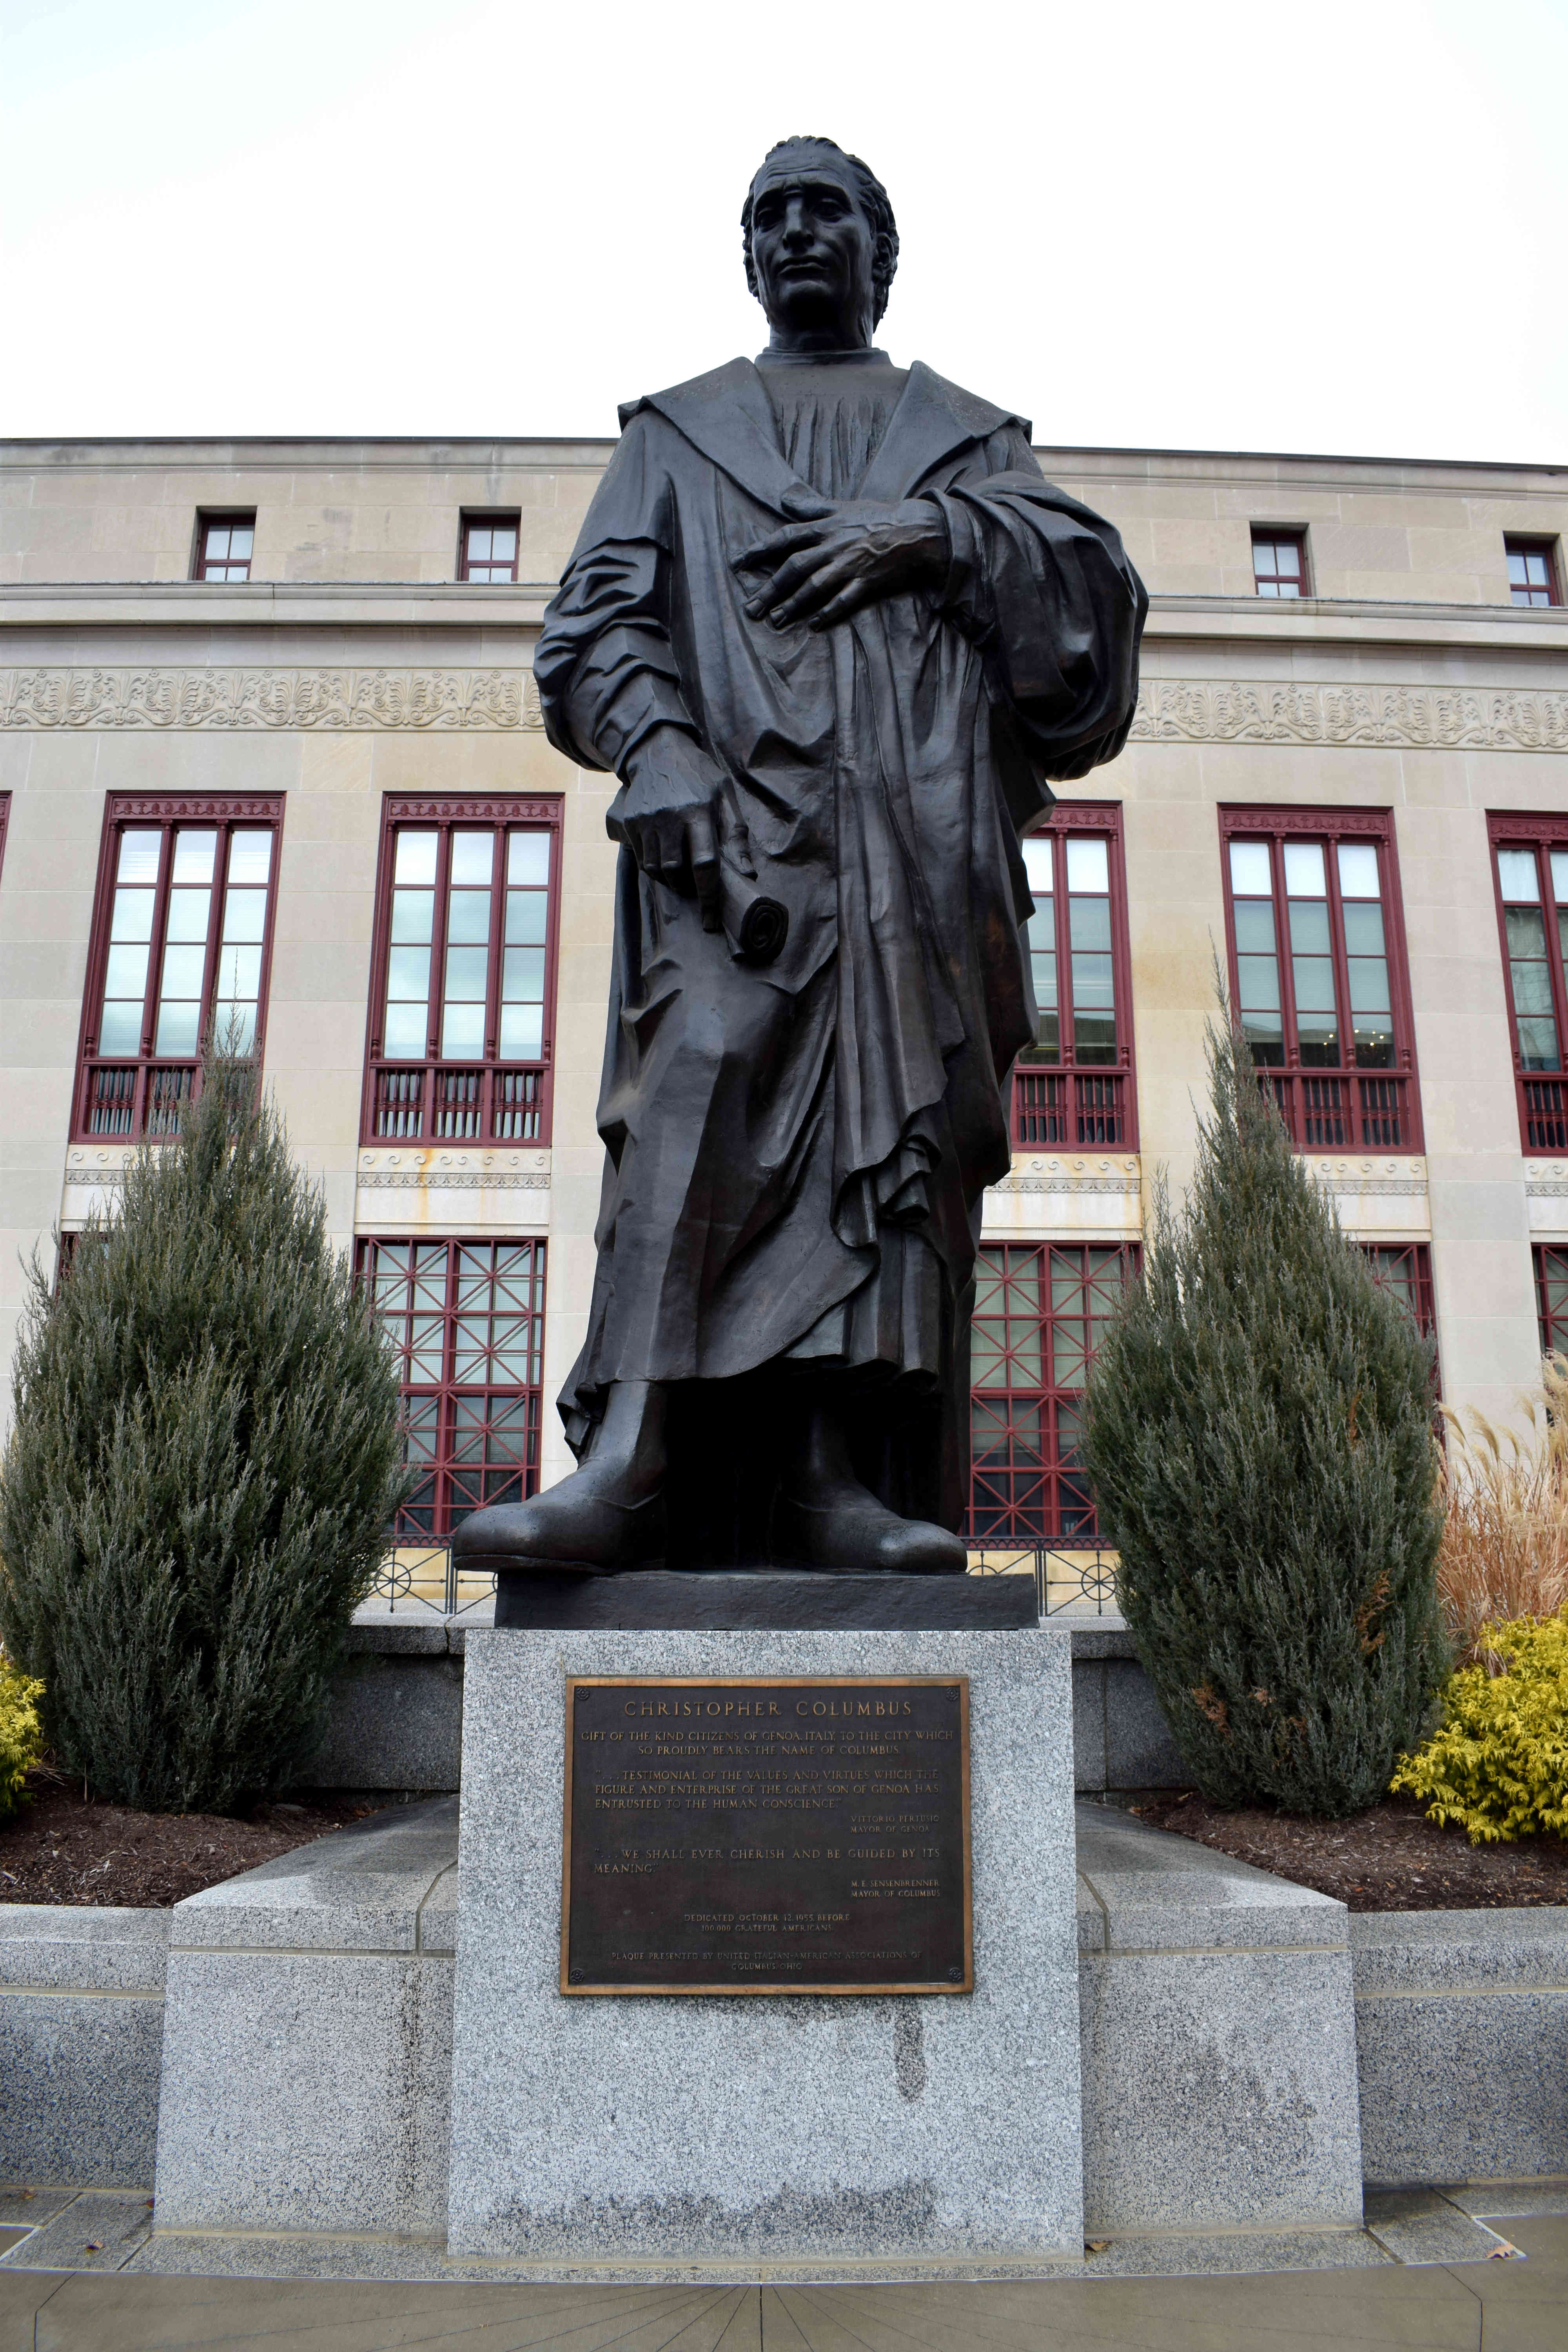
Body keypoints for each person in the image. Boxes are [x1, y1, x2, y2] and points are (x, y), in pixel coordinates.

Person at [454, 136, 1147, 1579]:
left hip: (911, 860)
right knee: (695, 1080)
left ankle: (833, 1480)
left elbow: (1090, 612)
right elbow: (592, 633)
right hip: (734, 860)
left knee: (882, 1151)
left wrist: (934, 535)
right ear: (748, 254)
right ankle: (632, 1457)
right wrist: (659, 750)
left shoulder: (968, 441)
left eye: (823, 208)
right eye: (767, 214)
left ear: (880, 250)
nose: (794, 232)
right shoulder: (680, 433)